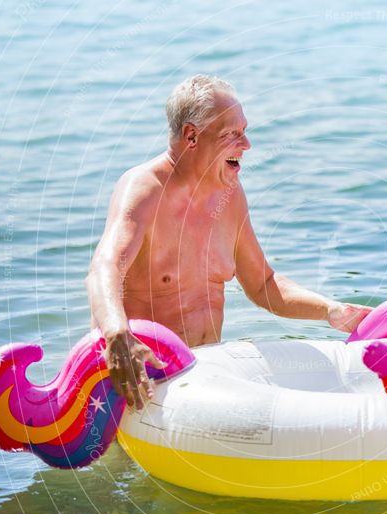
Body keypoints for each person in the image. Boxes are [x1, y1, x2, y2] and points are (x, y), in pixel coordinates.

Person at [86, 75, 371, 410]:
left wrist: (330, 310)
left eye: (245, 131)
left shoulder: (229, 196)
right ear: (191, 136)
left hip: (203, 379)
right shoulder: (145, 190)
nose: (247, 144)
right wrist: (116, 334)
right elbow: (105, 267)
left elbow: (263, 283)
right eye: (232, 134)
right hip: (140, 387)